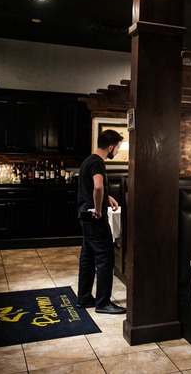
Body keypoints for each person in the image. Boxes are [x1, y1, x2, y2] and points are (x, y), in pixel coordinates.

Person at [75, 129, 126, 315]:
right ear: (110, 147)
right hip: (93, 216)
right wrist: (98, 208)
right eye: (118, 147)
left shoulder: (88, 160)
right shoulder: (98, 163)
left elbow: (92, 187)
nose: (118, 151)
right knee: (106, 257)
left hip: (83, 214)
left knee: (87, 257)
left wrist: (107, 198)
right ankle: (103, 303)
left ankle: (84, 297)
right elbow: (97, 186)